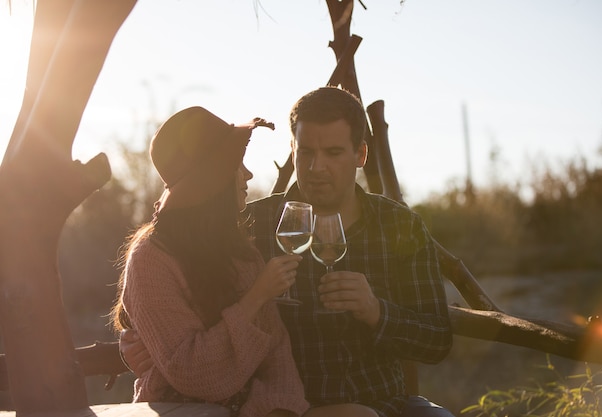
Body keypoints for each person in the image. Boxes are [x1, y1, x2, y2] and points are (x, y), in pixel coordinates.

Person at [121, 87, 455, 417]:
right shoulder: (250, 226)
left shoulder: (399, 226)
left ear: (361, 155)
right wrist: (140, 340)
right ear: (292, 150)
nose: (316, 167)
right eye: (306, 152)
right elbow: (180, 298)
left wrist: (376, 311)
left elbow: (437, 341)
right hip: (281, 406)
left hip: (385, 403)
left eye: (334, 153)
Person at [110, 106, 309, 417]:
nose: (248, 174)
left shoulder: (239, 251)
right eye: (237, 164)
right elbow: (191, 374)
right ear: (213, 178)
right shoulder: (150, 258)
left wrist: (278, 409)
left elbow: (277, 353)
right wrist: (257, 296)